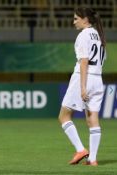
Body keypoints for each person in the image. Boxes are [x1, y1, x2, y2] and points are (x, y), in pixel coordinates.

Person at [58, 7, 106, 166]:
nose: (74, 22)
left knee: (63, 116)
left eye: (76, 19)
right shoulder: (99, 36)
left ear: (85, 19)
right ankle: (92, 159)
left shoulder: (83, 35)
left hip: (83, 78)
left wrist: (83, 87)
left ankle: (80, 150)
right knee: (93, 119)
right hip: (98, 79)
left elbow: (84, 61)